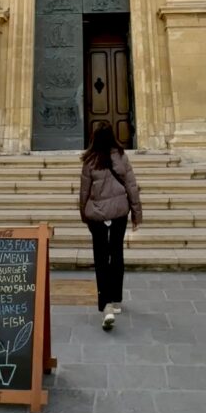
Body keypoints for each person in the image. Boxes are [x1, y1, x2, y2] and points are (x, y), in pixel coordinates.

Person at [79, 121, 142, 331]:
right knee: (116, 253)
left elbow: (84, 191)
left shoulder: (89, 161)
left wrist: (83, 213)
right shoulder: (122, 157)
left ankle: (104, 303)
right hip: (119, 212)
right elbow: (132, 187)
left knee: (100, 257)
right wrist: (136, 213)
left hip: (97, 214)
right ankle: (115, 299)